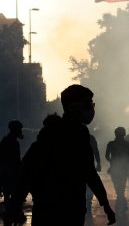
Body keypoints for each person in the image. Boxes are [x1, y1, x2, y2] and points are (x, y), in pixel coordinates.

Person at [4, 84, 115, 226]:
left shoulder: (81, 133)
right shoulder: (53, 134)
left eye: (91, 104)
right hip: (51, 211)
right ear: (72, 107)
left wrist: (105, 204)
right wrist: (14, 206)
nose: (91, 109)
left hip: (72, 211)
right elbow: (29, 171)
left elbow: (89, 172)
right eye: (87, 104)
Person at [105, 127, 129, 209]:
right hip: (124, 167)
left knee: (116, 182)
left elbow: (107, 156)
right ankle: (120, 196)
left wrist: (111, 161)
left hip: (115, 166)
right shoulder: (128, 144)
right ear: (124, 134)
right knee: (122, 182)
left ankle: (120, 196)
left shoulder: (111, 144)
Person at [0, 120, 24, 207]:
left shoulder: (6, 140)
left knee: (8, 191)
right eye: (19, 129)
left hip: (7, 169)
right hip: (10, 170)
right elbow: (16, 159)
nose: (21, 131)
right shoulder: (13, 142)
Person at [86, 133, 102, 215]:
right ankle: (88, 200)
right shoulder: (90, 137)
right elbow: (96, 150)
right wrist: (98, 163)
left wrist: (98, 163)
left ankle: (87, 200)